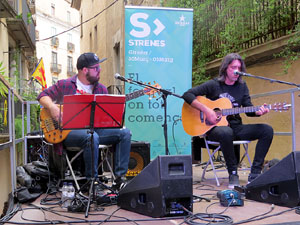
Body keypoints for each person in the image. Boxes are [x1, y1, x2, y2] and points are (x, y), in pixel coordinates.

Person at [37, 52, 131, 191]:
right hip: (68, 132)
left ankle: (119, 179)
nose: (100, 71)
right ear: (85, 70)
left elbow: (104, 119)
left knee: (125, 133)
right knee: (91, 137)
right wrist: (52, 108)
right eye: (96, 68)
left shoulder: (101, 89)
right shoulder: (65, 85)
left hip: (94, 130)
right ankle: (92, 182)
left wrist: (116, 110)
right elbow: (42, 96)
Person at [182, 53, 273, 188]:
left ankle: (255, 173)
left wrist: (258, 112)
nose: (237, 70)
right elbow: (187, 95)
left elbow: (248, 108)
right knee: (226, 132)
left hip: (236, 127)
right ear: (225, 68)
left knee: (267, 130)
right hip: (215, 129)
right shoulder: (213, 85)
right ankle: (233, 173)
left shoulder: (242, 86)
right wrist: (207, 111)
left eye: (239, 67)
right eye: (233, 67)